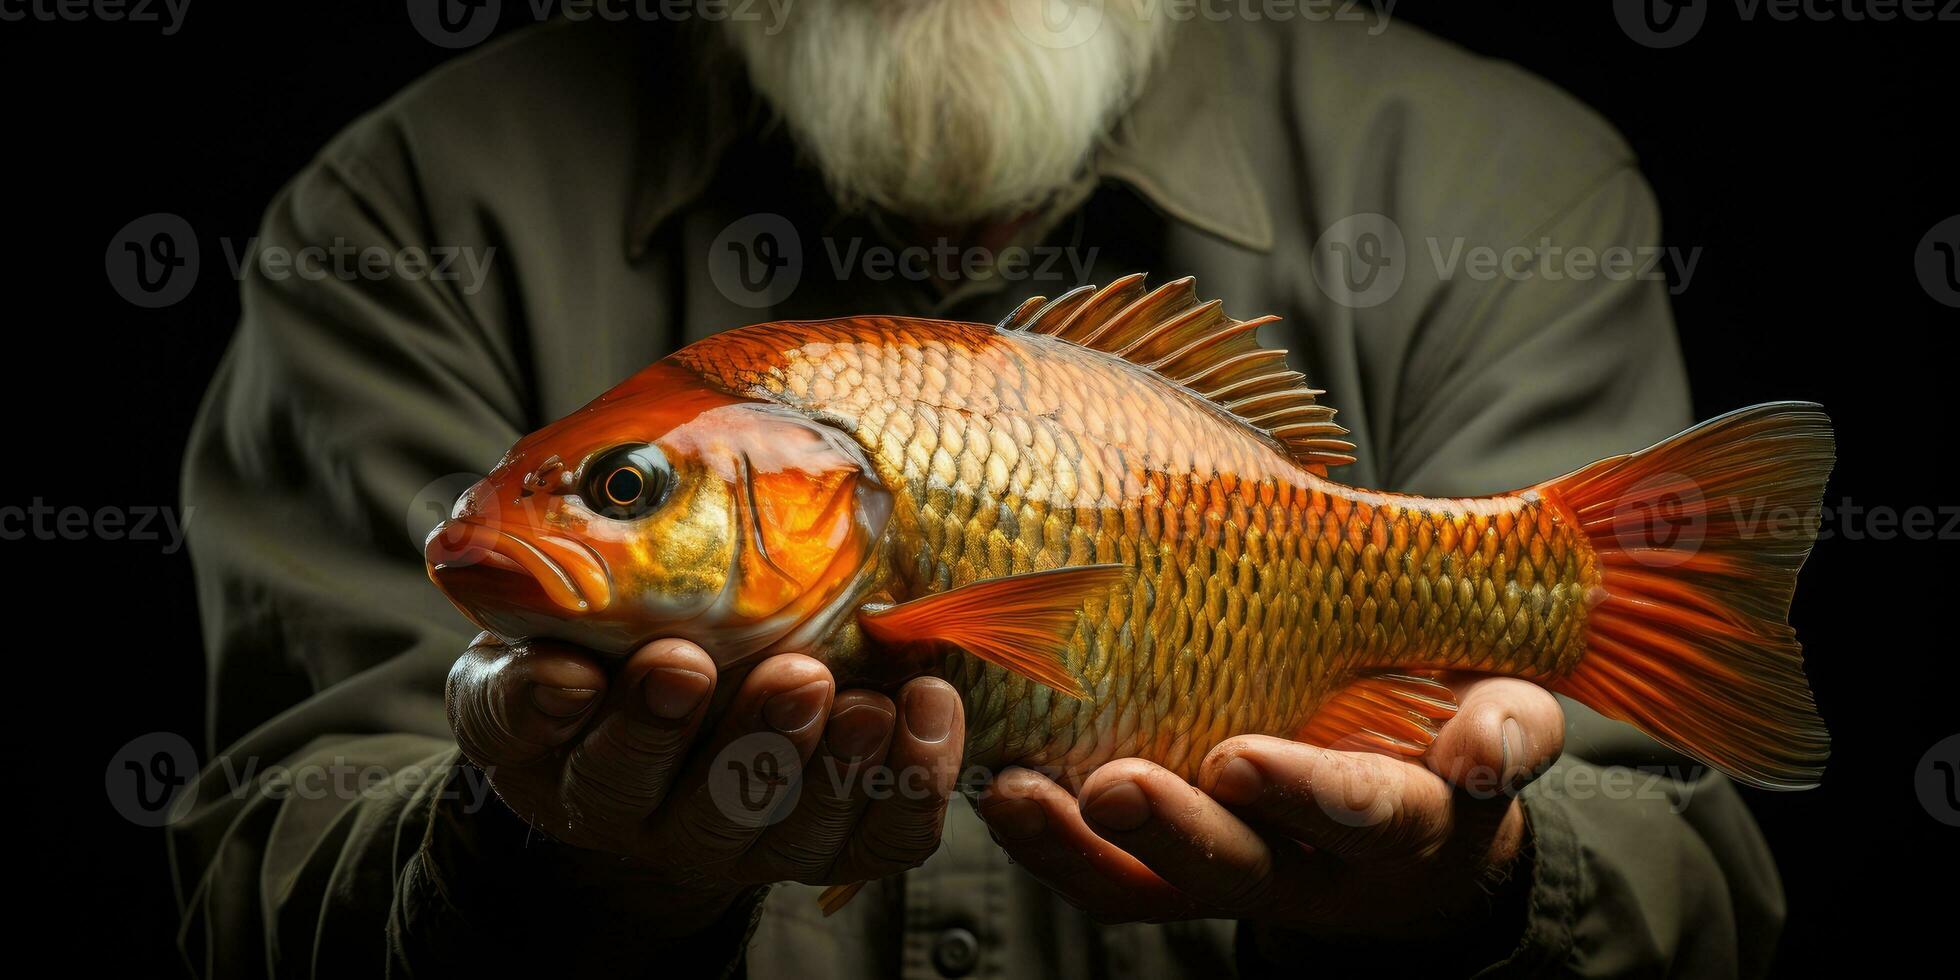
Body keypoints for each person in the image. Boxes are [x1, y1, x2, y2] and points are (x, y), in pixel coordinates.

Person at [174, 4, 1785, 977]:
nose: (593, 513)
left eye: (628, 490)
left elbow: (1697, 894)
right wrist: (545, 864)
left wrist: (1468, 892)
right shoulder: (399, 215)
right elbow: (257, 905)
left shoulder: (1505, 182)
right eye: (626, 490)